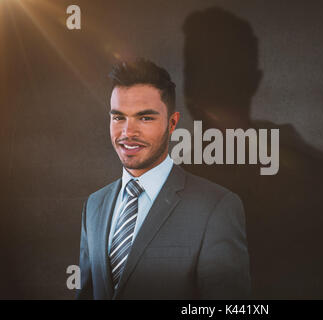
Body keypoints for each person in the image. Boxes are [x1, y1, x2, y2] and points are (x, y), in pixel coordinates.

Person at [76, 58, 251, 299]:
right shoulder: (94, 205)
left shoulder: (215, 207)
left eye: (145, 118)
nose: (128, 132)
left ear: (172, 123)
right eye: (118, 117)